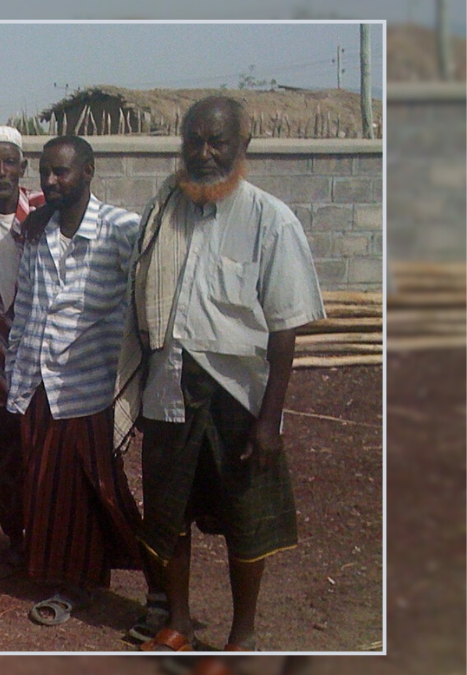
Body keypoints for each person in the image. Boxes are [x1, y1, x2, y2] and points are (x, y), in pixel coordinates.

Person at [119, 96, 325, 651]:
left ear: (243, 148)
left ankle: (243, 634)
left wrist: (269, 422)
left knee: (246, 518)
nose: (205, 154)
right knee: (169, 510)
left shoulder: (269, 219)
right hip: (169, 384)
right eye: (195, 142)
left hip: (238, 395)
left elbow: (285, 331)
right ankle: (179, 621)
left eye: (218, 143)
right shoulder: (163, 211)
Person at [5, 135, 147, 626]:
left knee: (93, 486)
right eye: (45, 172)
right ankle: (60, 573)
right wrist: (13, 376)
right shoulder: (38, 231)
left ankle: (102, 578)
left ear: (88, 171)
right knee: (47, 485)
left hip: (90, 384)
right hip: (39, 383)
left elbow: (142, 302)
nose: (50, 181)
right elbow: (25, 308)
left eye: (61, 172)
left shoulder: (122, 230)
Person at [0, 126, 44, 581]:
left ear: (22, 168)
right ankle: (16, 541)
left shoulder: (42, 209)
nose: (0, 172)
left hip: (40, 363)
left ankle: (45, 543)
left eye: (9, 163)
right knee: (4, 459)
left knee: (42, 456)